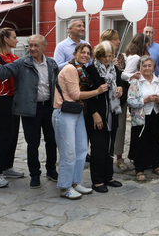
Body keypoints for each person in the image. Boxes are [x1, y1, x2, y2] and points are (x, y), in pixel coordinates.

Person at [0, 35, 60, 189]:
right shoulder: (21, 63)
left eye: (36, 45)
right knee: (33, 143)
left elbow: (57, 84)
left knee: (51, 141)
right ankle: (35, 174)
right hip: (31, 109)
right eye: (30, 45)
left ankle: (51, 170)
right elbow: (2, 72)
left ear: (44, 47)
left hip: (49, 108)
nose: (32, 48)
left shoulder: (52, 64)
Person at [53, 43, 108, 199]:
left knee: (82, 149)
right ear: (75, 53)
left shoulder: (81, 70)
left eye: (88, 53)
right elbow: (76, 94)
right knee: (68, 153)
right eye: (82, 52)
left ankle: (75, 182)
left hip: (76, 112)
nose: (85, 55)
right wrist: (97, 91)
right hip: (64, 113)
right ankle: (65, 187)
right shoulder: (71, 69)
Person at [84, 42, 124, 193]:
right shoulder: (91, 70)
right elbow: (86, 95)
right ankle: (97, 180)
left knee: (110, 146)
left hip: (112, 113)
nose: (108, 59)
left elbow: (120, 86)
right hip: (97, 114)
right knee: (98, 147)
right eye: (104, 56)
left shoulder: (114, 69)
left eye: (110, 56)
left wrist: (120, 89)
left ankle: (109, 176)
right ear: (98, 56)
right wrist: (94, 114)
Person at [0, 28, 23, 188]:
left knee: (14, 135)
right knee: (4, 136)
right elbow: (3, 73)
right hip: (1, 99)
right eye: (14, 38)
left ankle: (7, 167)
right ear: (6, 39)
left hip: (14, 99)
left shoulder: (15, 56)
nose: (17, 41)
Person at [127, 56, 159, 182]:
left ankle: (155, 165)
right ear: (140, 68)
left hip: (156, 114)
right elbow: (130, 101)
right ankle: (139, 169)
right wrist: (146, 100)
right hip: (141, 116)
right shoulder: (135, 82)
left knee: (155, 141)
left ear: (154, 67)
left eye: (150, 65)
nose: (147, 68)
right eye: (145, 66)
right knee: (140, 142)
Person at [100, 29, 130, 171]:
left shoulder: (121, 57)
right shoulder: (98, 56)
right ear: (107, 40)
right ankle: (103, 157)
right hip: (102, 101)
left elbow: (120, 78)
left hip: (119, 100)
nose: (119, 42)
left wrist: (121, 86)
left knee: (120, 128)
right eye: (115, 39)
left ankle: (118, 157)